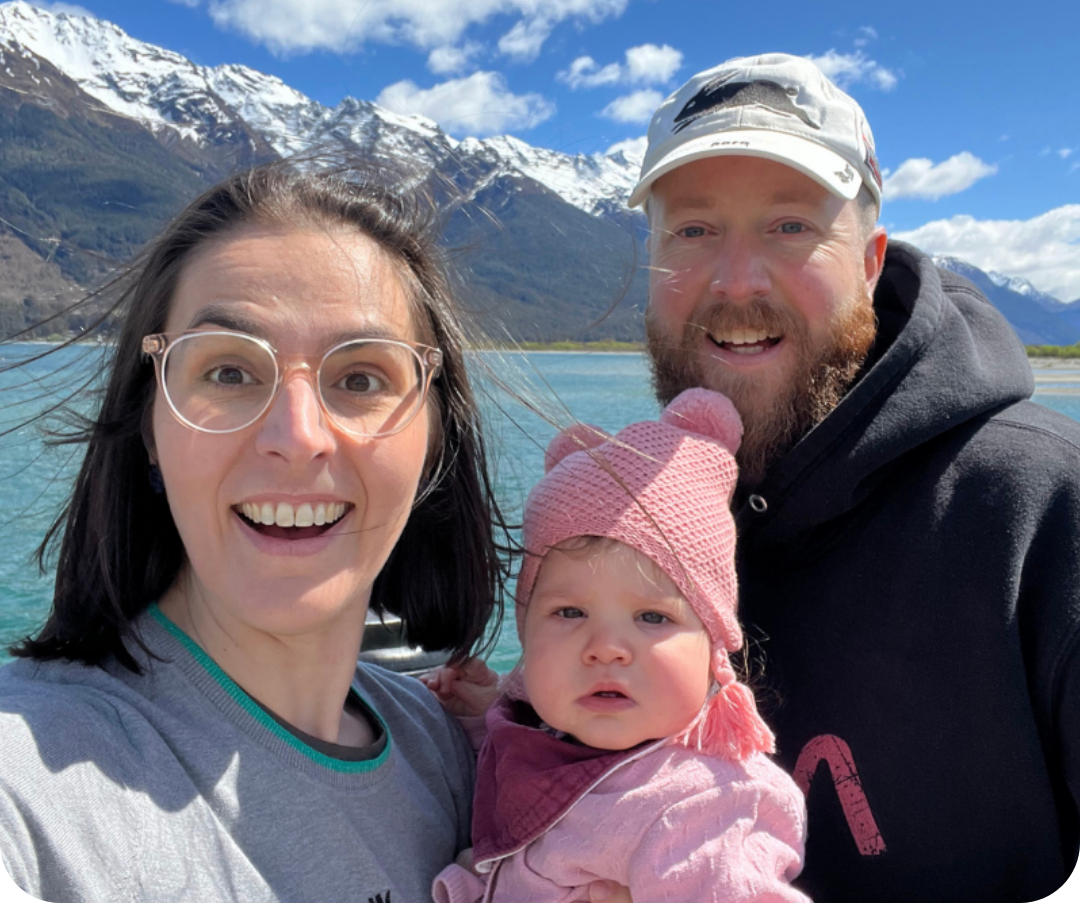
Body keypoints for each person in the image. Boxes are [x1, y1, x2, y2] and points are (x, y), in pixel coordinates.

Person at [0, 162, 624, 903]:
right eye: (229, 373)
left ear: (433, 445)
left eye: (361, 379)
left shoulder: (447, 757)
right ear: (149, 428)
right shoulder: (32, 792)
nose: (297, 439)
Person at [632, 52, 1080, 901]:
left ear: (871, 263)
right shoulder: (638, 521)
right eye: (691, 231)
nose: (734, 281)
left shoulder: (1045, 511)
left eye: (790, 226)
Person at [427, 387, 809, 903]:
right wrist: (480, 717)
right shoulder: (558, 737)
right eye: (569, 613)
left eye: (652, 617)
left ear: (714, 648)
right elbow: (531, 761)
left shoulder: (702, 810)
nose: (606, 648)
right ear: (527, 630)